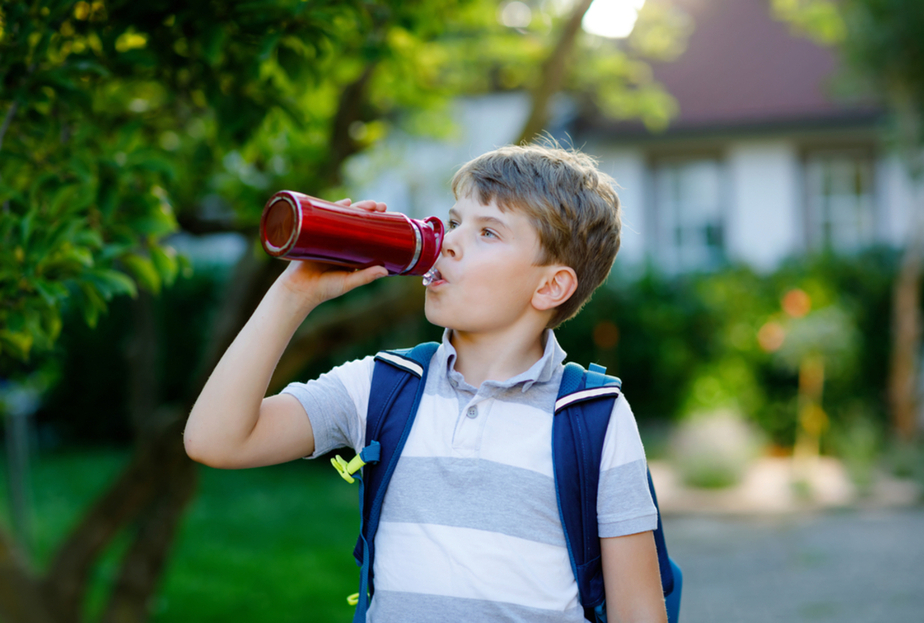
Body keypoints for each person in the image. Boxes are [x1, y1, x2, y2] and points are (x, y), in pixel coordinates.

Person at [184, 143, 667, 623]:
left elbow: (638, 612)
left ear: (550, 287)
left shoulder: (593, 417)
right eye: (455, 222)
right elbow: (216, 440)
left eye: (489, 233)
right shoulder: (383, 386)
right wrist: (293, 293)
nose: (448, 242)